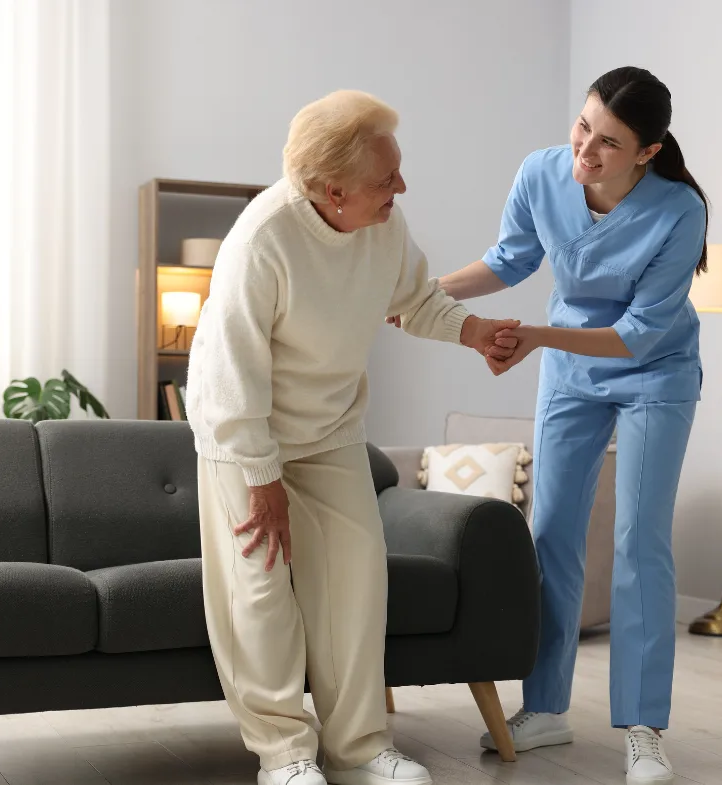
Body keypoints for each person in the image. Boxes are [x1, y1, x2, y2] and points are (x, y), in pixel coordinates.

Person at [186, 89, 519, 785]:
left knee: (357, 582)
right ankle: (284, 756)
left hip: (331, 430)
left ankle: (361, 747)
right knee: (262, 591)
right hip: (247, 436)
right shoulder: (262, 240)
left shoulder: (383, 226)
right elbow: (229, 376)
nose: (402, 184)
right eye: (385, 177)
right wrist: (261, 478)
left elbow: (415, 297)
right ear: (332, 191)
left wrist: (474, 331)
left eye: (396, 169)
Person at [392, 66, 707, 784]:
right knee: (551, 532)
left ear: (648, 152)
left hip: (653, 370)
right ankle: (545, 707)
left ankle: (643, 727)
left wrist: (535, 335)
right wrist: (415, 293)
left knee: (639, 540)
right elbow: (511, 258)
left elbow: (635, 334)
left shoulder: (679, 212)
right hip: (571, 371)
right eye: (583, 127)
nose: (585, 152)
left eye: (608, 143)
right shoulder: (542, 172)